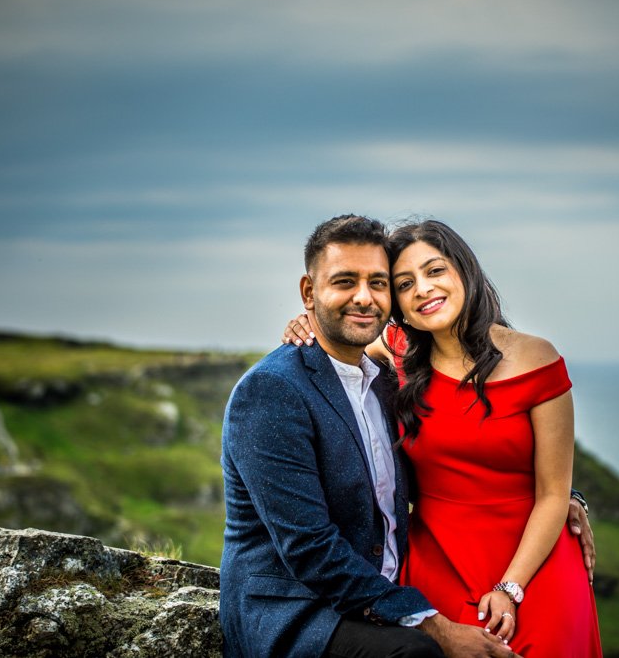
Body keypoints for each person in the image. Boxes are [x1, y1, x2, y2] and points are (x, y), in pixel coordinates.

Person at [221, 215, 594, 658]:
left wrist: (563, 499)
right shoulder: (391, 361)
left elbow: (529, 474)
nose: (422, 289)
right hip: (422, 562)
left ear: (465, 271)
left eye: (435, 271)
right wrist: (308, 322)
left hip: (527, 556)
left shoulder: (529, 357)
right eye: (403, 283)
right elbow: (333, 342)